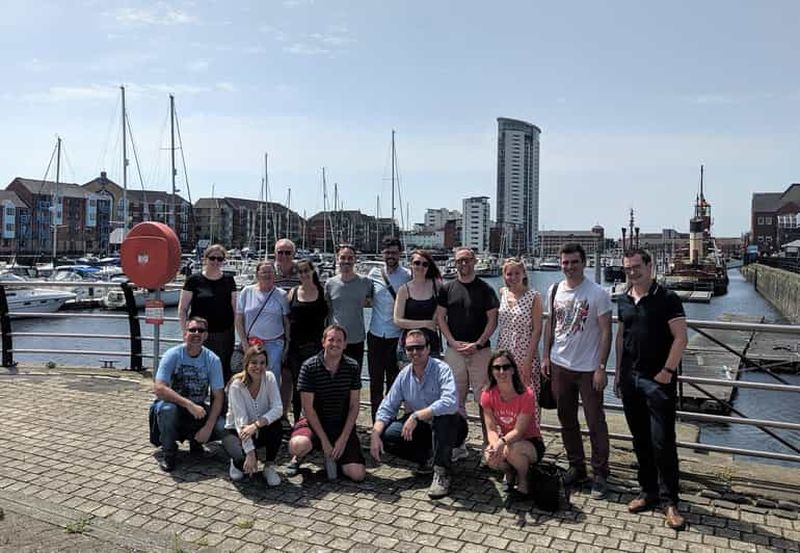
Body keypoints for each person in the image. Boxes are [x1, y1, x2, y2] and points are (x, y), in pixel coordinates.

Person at [615, 248, 688, 530]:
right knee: (640, 439)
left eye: (636, 267)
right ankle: (648, 492)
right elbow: (622, 337)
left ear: (649, 266)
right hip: (630, 378)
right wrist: (619, 374)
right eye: (628, 268)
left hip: (658, 381)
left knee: (662, 442)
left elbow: (681, 338)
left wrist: (667, 372)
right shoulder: (623, 299)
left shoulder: (667, 299)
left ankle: (670, 502)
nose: (632, 272)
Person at [542, 242, 612, 498]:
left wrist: (601, 367)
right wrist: (545, 356)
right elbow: (550, 325)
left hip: (588, 368)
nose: (569, 267)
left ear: (584, 263)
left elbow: (606, 332)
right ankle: (576, 466)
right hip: (560, 365)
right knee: (566, 419)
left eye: (574, 262)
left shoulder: (597, 293)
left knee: (595, 421)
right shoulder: (554, 290)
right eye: (565, 262)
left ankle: (601, 473)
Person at [370, 330, 466, 499]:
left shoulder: (441, 369)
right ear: (405, 351)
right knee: (387, 434)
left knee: (444, 417)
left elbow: (450, 402)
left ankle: (442, 472)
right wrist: (375, 433)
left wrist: (416, 416)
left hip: (451, 427)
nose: (415, 353)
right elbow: (387, 406)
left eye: (420, 348)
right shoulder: (404, 375)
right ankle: (429, 458)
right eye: (410, 349)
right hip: (424, 428)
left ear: (428, 349)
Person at [436, 246, 499, 459]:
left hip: (480, 351)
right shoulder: (447, 288)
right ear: (455, 263)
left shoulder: (485, 288)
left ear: (474, 261)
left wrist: (479, 343)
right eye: (459, 261)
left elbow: (492, 320)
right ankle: (458, 444)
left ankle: (487, 444)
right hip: (455, 351)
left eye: (467, 260)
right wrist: (452, 342)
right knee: (455, 398)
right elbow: (440, 318)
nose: (464, 264)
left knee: (484, 400)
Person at [287, 325, 366, 481]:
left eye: (339, 340)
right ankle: (299, 457)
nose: (334, 344)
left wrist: (343, 439)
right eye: (330, 339)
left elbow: (354, 406)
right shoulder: (309, 367)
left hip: (340, 422)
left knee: (357, 475)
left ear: (345, 345)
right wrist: (324, 440)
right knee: (298, 445)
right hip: (314, 422)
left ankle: (335, 456)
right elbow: (308, 409)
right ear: (323, 342)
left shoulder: (352, 367)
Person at [151, 317, 226, 472]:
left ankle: (196, 441)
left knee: (221, 425)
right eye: (192, 330)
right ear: (185, 333)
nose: (196, 333)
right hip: (174, 405)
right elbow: (159, 388)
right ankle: (169, 452)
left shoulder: (213, 360)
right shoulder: (172, 354)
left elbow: (218, 396)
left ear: (206, 335)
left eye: (201, 330)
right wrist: (188, 404)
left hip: (198, 408)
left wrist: (208, 426)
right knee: (167, 410)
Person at [481, 350, 545, 497]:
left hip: (530, 442)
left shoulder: (526, 394)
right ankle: (509, 473)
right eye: (497, 368)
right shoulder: (487, 395)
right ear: (491, 371)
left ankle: (524, 481)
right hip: (506, 441)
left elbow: (519, 431)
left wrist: (501, 443)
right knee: (489, 457)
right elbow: (490, 429)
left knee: (513, 450)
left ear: (513, 370)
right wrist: (493, 445)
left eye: (506, 367)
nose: (501, 371)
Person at [223, 345, 284, 487]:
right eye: (254, 363)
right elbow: (240, 422)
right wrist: (250, 453)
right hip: (236, 431)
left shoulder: (269, 378)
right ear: (246, 364)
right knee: (240, 465)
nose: (258, 367)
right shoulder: (236, 385)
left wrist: (256, 425)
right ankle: (236, 461)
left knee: (276, 426)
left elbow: (278, 408)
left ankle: (269, 466)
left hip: (257, 427)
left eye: (262, 363)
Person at [366, 237, 411, 420]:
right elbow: (365, 297)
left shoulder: (407, 275)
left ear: (399, 253)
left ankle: (389, 420)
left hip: (396, 336)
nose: (390, 256)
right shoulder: (373, 274)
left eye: (394, 252)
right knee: (375, 382)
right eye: (387, 253)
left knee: (394, 383)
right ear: (383, 254)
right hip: (376, 334)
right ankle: (376, 421)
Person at [179, 244, 237, 382]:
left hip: (224, 334)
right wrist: (185, 331)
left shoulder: (229, 280)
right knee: (199, 370)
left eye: (220, 259)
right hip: (199, 333)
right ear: (205, 259)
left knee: (222, 372)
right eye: (212, 258)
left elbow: (235, 309)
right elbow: (182, 309)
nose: (216, 262)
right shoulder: (193, 280)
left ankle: (219, 402)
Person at [496, 258, 543, 415]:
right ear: (504, 275)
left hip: (524, 351)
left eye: (517, 273)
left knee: (526, 393)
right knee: (504, 391)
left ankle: (529, 434)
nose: (513, 277)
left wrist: (528, 361)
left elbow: (537, 330)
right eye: (509, 274)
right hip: (504, 349)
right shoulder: (503, 292)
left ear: (524, 274)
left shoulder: (533, 297)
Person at [286, 259, 328, 423]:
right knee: (298, 386)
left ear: (312, 271)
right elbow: (287, 320)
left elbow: (328, 318)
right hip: (296, 347)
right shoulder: (293, 293)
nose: (304, 274)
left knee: (316, 386)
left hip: (317, 346)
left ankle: (316, 422)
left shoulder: (323, 292)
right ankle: (298, 420)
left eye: (306, 270)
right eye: (300, 271)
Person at [235, 261, 290, 386]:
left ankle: (272, 404)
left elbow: (286, 322)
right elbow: (239, 319)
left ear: (275, 275)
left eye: (270, 272)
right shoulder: (246, 292)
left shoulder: (281, 295)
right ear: (257, 274)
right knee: (250, 377)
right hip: (252, 343)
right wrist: (244, 342)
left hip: (275, 343)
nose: (267, 275)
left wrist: (287, 344)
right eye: (263, 272)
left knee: (272, 379)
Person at [324, 244, 372, 368]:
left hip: (356, 338)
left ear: (355, 260)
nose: (346, 261)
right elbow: (327, 310)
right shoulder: (330, 284)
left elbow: (371, 301)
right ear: (337, 259)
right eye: (343, 257)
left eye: (350, 258)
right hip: (334, 340)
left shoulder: (365, 282)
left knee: (354, 379)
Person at [393, 249, 443, 360]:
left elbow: (444, 307)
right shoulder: (404, 290)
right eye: (417, 263)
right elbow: (398, 320)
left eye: (425, 264)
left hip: (431, 344)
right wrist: (425, 323)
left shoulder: (437, 286)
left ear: (429, 267)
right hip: (409, 345)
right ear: (411, 265)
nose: (420, 267)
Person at [273, 238, 302, 413]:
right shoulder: (269, 272)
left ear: (293, 254)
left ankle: (285, 412)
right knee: (273, 374)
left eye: (288, 252)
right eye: (280, 252)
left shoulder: (302, 272)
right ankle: (274, 413)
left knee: (290, 375)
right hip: (273, 330)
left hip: (296, 331)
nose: (283, 256)